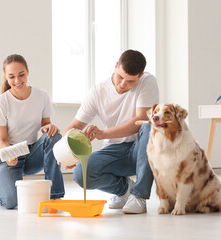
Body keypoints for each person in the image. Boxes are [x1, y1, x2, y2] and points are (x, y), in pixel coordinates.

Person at [63, 49, 159, 214]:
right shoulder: (98, 92)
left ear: (140, 76)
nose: (123, 84)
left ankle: (139, 195)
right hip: (116, 151)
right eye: (120, 77)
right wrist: (65, 153)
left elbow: (140, 120)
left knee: (149, 124)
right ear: (116, 66)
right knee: (81, 174)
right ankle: (124, 190)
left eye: (130, 81)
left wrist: (103, 133)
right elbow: (74, 126)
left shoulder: (147, 81)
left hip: (141, 148)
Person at [0, 54, 65, 209]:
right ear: (6, 77)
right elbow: (3, 140)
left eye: (21, 75)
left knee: (54, 136)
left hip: (32, 154)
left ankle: (54, 196)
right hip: (10, 154)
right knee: (11, 203)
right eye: (12, 77)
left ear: (28, 72)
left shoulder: (41, 96)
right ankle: (6, 185)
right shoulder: (1, 102)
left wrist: (48, 127)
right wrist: (10, 156)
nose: (17, 81)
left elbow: (45, 125)